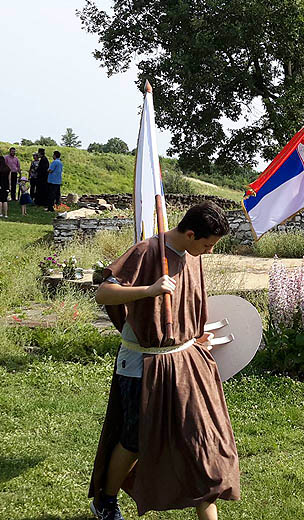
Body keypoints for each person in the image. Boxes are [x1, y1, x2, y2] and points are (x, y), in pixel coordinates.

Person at [89, 202, 239, 520]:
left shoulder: (192, 255)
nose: (209, 252)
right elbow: (103, 294)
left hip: (185, 361)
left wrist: (194, 335)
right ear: (190, 234)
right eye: (208, 245)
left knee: (199, 439)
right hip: (142, 362)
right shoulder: (146, 252)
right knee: (134, 439)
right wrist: (150, 289)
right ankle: (106, 501)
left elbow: (188, 302)